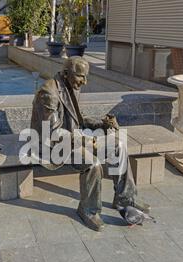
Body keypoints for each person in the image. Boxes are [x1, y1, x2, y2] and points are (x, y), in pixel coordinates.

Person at [30, 56, 150, 231]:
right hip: (51, 145)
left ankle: (125, 198)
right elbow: (52, 133)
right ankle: (88, 210)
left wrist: (101, 124)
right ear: (66, 73)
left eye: (86, 77)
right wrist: (87, 140)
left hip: (73, 137)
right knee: (92, 163)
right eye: (81, 77)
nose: (85, 82)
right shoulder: (48, 93)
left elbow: (79, 117)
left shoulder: (71, 84)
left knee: (119, 146)